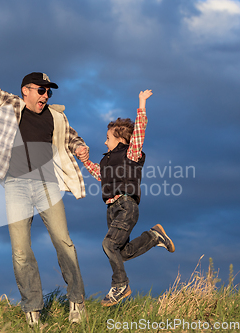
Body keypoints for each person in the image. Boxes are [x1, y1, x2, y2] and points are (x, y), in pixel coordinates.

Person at [0, 18, 88, 325]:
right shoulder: (8, 105)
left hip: (47, 184)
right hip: (15, 184)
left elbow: (72, 137)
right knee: (21, 250)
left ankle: (77, 303)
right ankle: (33, 309)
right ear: (26, 91)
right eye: (41, 90)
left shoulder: (56, 118)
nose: (45, 96)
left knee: (64, 242)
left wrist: (81, 147)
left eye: (49, 92)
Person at [78, 89, 175, 306]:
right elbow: (99, 174)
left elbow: (139, 131)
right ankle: (154, 236)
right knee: (122, 252)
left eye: (107, 138)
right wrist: (83, 160)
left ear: (120, 138)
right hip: (111, 210)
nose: (104, 143)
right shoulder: (106, 161)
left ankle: (120, 285)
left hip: (126, 205)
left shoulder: (131, 153)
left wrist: (141, 103)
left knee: (108, 243)